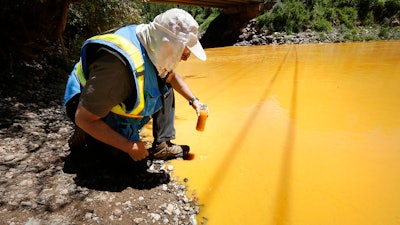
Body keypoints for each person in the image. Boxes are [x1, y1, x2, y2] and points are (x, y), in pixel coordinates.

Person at [63, 8, 209, 162]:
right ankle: (86, 136)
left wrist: (195, 101)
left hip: (110, 94)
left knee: (164, 86)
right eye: (183, 52)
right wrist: (129, 146)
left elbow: (171, 77)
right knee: (124, 163)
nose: (185, 59)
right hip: (86, 104)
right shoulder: (117, 68)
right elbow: (83, 117)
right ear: (168, 46)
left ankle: (162, 145)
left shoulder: (153, 42)